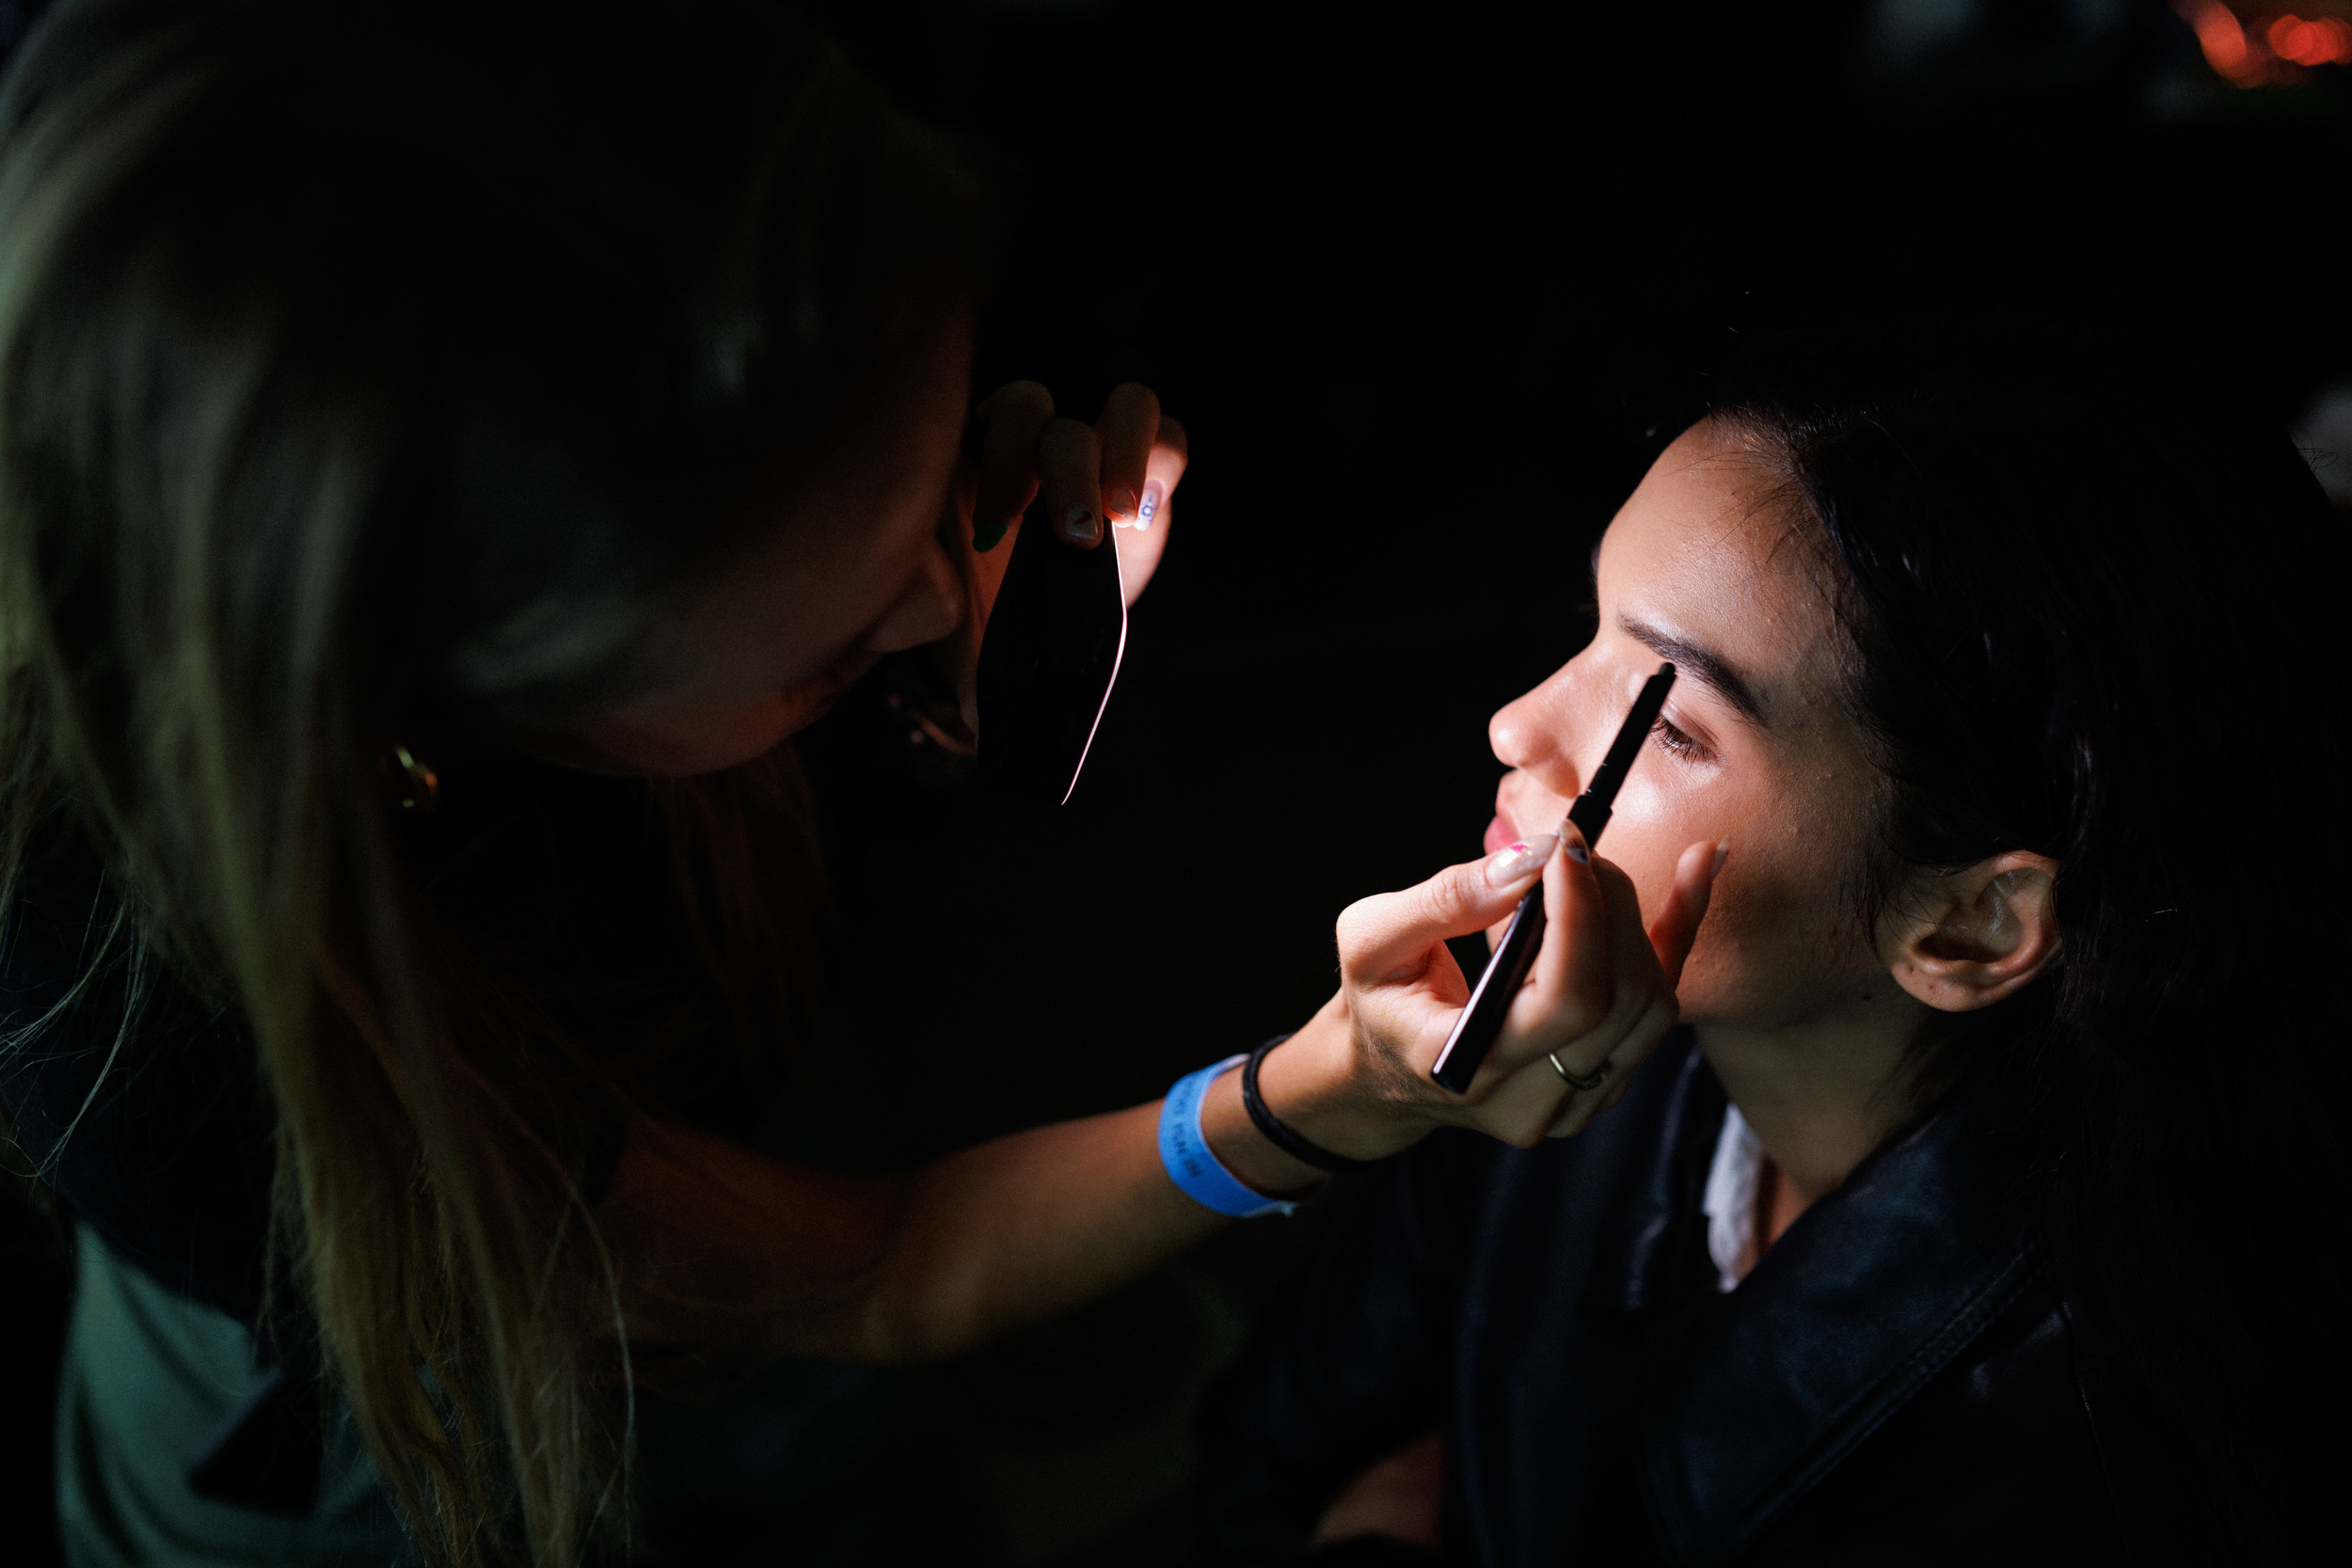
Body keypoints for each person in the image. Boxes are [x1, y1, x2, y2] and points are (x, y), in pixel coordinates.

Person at [0, 3, 1725, 1564]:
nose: (939, 585)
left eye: (941, 436)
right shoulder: (173, 1047)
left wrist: (926, 656)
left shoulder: (736, 245)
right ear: (451, 697)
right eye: (827, 643)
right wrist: (1328, 1093)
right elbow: (875, 1266)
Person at [1200, 334, 2350, 1564]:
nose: (1517, 724)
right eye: (1591, 623)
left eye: (1674, 727)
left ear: (1969, 921)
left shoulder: (2101, 1466)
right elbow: (1272, 1451)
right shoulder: (1532, 1057)